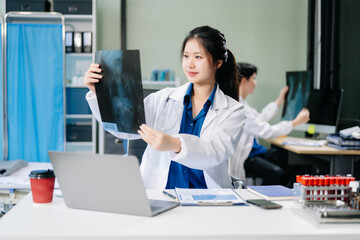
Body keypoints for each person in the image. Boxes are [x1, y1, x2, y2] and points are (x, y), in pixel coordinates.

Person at [84, 26, 246, 189]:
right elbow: (126, 128)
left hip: (206, 200)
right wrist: (99, 92)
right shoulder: (163, 98)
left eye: (198, 57)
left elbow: (215, 151)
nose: (190, 64)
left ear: (217, 63)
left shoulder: (233, 111)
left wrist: (176, 144)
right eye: (186, 56)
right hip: (162, 194)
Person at [229, 63, 310, 187]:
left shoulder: (243, 103)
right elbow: (265, 130)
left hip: (257, 151)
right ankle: (265, 196)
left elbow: (260, 119)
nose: (255, 83)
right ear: (244, 80)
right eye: (254, 78)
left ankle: (284, 192)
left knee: (296, 160)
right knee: (277, 173)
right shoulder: (239, 108)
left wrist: (279, 100)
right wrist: (295, 123)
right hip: (248, 156)